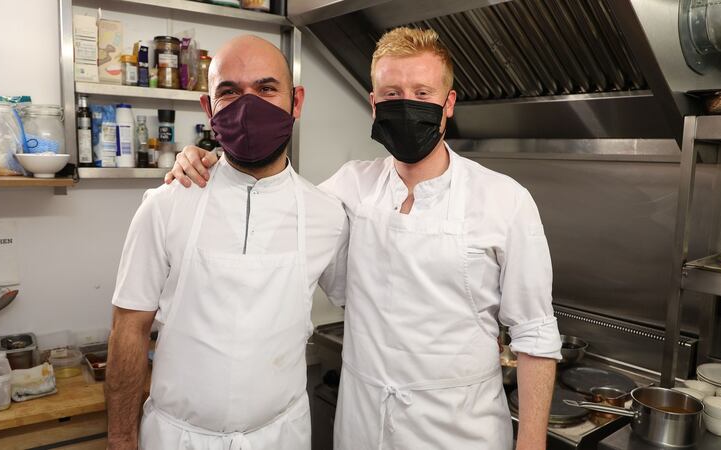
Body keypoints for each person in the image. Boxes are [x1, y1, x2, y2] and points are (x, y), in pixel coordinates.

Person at [167, 27, 561, 450]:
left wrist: (532, 443)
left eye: (422, 93)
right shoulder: (349, 186)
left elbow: (535, 334)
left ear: (448, 104)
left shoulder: (505, 199)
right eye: (391, 94)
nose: (406, 104)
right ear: (374, 105)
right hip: (362, 423)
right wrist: (203, 159)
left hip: (462, 429)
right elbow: (272, 195)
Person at [106, 35, 348, 450]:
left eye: (267, 88)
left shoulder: (327, 214)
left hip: (281, 436)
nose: (247, 105)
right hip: (177, 437)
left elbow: (365, 306)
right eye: (230, 92)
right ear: (209, 108)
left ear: (297, 102)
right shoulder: (164, 206)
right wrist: (120, 438)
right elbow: (129, 329)